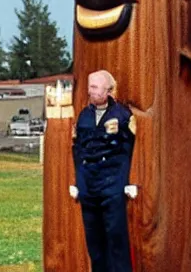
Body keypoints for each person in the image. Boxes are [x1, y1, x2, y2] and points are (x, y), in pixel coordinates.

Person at [71, 70, 137, 272]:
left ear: (108, 90)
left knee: (116, 236)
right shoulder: (84, 115)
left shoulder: (123, 115)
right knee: (94, 239)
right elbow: (78, 147)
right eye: (89, 86)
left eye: (95, 87)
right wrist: (77, 181)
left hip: (112, 181)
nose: (90, 91)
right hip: (88, 182)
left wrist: (131, 180)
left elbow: (134, 147)